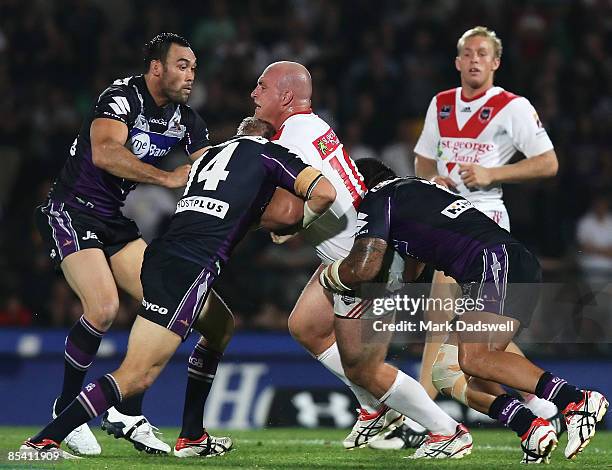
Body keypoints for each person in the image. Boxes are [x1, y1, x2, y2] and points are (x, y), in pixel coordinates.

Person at [20, 119, 337, 460]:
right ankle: (44, 442)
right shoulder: (271, 154)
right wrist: (296, 226)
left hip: (162, 252)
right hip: (189, 268)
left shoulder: (210, 156)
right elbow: (324, 193)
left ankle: (192, 436)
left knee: (220, 327)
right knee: (137, 376)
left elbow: (230, 213)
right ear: (269, 137)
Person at [248, 61, 474, 455]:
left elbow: (298, 204)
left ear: (285, 97)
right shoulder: (308, 127)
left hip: (363, 266)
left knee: (364, 368)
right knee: (305, 326)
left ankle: (447, 430)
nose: (254, 94)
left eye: (261, 86)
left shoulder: (290, 141)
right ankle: (375, 409)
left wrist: (248, 218)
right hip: (353, 251)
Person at [320, 159, 608, 463]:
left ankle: (575, 400)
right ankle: (530, 428)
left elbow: (366, 266)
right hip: (502, 262)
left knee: (476, 358)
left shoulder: (378, 196)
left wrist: (332, 277)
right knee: (447, 371)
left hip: (491, 263)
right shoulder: (415, 191)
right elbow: (414, 271)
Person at [32, 32, 224, 455]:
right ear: (156, 67)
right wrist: (168, 177)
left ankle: (126, 411)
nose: (191, 74)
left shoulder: (187, 120)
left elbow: (213, 171)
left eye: (193, 67)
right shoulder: (121, 97)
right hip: (71, 210)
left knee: (166, 301)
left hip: (114, 222)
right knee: (103, 308)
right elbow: (104, 153)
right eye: (182, 65)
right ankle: (65, 408)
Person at [406, 25, 561, 446]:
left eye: (483, 54)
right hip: (446, 217)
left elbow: (547, 163)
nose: (474, 59)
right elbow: (422, 158)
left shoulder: (512, 107)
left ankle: (422, 417)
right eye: (468, 53)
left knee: (443, 323)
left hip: (486, 219)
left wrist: (495, 173)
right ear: (457, 62)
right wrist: (430, 180)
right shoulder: (440, 104)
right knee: (474, 338)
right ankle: (543, 404)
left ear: (495, 63)